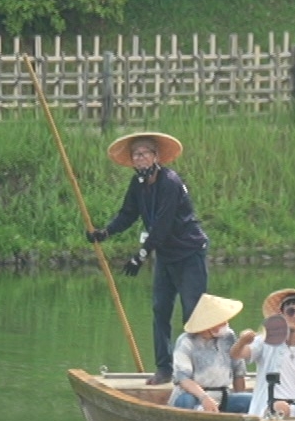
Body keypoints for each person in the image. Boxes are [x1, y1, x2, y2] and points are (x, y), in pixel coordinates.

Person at [85, 132, 209, 385]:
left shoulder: (170, 182)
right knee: (160, 310)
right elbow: (128, 213)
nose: (140, 159)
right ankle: (165, 368)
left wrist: (139, 257)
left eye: (144, 153)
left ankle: (197, 371)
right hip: (165, 255)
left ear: (156, 156)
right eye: (135, 155)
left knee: (192, 314)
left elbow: (162, 227)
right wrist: (105, 232)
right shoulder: (138, 185)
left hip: (189, 253)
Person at [230, 290, 295, 417]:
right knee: (281, 407)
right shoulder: (264, 340)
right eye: (291, 311)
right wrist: (242, 341)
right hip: (269, 406)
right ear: (281, 315)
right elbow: (237, 354)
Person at [167, 293, 252, 414]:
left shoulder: (228, 336)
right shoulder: (186, 341)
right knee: (186, 402)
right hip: (193, 396)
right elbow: (183, 379)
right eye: (221, 321)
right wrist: (204, 398)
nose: (226, 324)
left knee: (251, 401)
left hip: (222, 397)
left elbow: (238, 372)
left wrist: (240, 402)